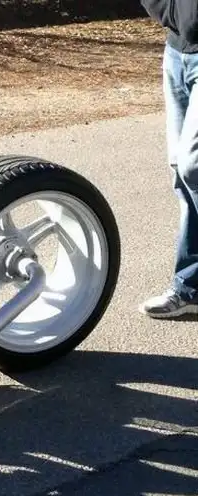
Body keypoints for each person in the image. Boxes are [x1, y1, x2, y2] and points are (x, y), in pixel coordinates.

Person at [139, 0, 198, 318]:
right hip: (176, 52)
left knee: (193, 166)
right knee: (181, 172)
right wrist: (171, 15)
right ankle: (191, 286)